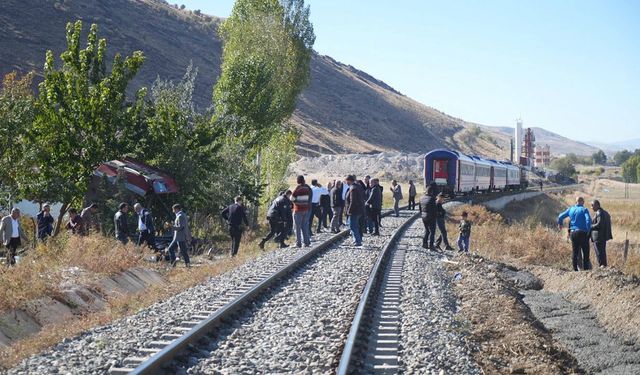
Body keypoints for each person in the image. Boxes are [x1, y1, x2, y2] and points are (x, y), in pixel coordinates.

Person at [558, 197, 592, 271]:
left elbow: (560, 216)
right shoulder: (584, 210)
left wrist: (560, 224)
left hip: (573, 233)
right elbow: (588, 220)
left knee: (575, 252)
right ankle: (586, 269)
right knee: (585, 252)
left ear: (576, 202)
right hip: (583, 232)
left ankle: (575, 269)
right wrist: (588, 230)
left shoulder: (571, 209)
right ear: (582, 202)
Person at [590, 200, 612, 268]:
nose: (591, 207)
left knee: (599, 253)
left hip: (598, 237)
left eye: (592, 205)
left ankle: (602, 266)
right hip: (602, 237)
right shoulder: (605, 213)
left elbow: (599, 224)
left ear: (597, 205)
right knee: (602, 252)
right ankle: (603, 266)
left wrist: (590, 226)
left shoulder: (599, 212)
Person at [292, 175, 312, 247]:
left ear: (298, 180)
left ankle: (298, 243)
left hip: (298, 209)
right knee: (305, 226)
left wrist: (296, 202)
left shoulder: (298, 188)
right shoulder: (307, 188)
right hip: (306, 209)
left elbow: (292, 198)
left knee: (297, 227)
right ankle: (306, 242)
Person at [345, 175, 365, 247]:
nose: (346, 182)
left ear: (349, 180)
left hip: (354, 211)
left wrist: (349, 211)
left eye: (346, 181)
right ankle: (357, 240)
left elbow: (352, 201)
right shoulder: (358, 186)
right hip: (359, 210)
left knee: (353, 226)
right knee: (355, 225)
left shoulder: (353, 188)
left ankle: (357, 241)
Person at [419, 185, 438, 250]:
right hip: (431, 217)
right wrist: (435, 217)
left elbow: (420, 209)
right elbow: (434, 210)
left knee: (426, 230)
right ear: (431, 192)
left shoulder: (421, 198)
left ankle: (424, 244)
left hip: (423, 217)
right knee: (432, 232)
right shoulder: (432, 199)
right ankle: (431, 246)